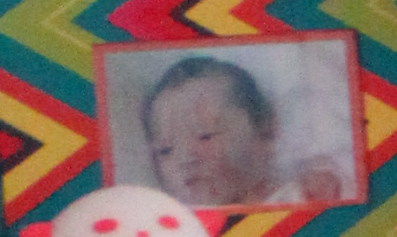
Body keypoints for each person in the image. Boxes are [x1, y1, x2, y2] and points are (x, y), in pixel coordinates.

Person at [140, 50, 348, 212]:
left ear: (265, 132)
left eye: (205, 136)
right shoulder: (177, 225)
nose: (185, 159)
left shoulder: (301, 194)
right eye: (165, 150)